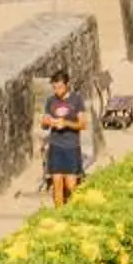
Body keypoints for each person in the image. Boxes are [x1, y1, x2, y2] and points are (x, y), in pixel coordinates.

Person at [40, 70, 88, 209]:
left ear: (67, 85)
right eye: (54, 87)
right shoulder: (51, 101)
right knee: (57, 183)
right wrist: (45, 122)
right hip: (55, 146)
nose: (57, 90)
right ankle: (59, 215)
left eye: (59, 87)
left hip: (71, 146)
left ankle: (75, 212)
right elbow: (44, 125)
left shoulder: (76, 100)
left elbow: (83, 124)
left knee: (71, 185)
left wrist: (66, 123)